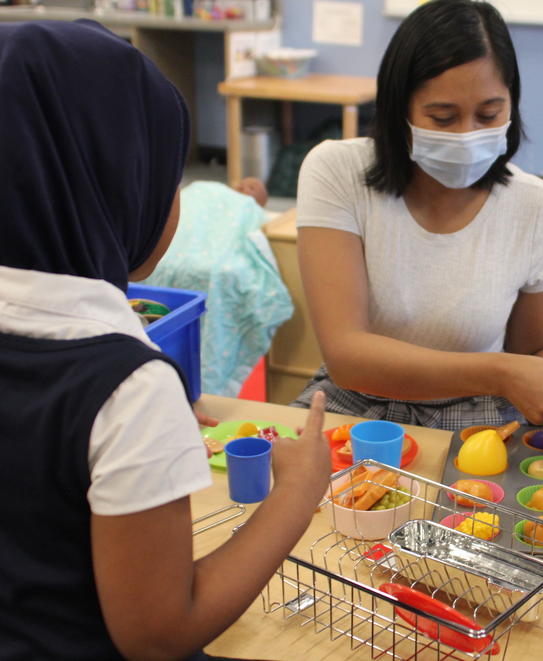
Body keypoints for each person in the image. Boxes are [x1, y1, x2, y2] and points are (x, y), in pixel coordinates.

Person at [0, 20, 331, 660]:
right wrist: (296, 493)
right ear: (117, 185)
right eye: (169, 175)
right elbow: (159, 633)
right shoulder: (123, 387)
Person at [292, 0, 543, 431]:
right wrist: (500, 372)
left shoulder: (536, 205)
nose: (468, 135)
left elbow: (534, 351)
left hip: (481, 416)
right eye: (443, 117)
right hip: (356, 404)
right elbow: (348, 356)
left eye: (489, 114)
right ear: (399, 110)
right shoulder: (337, 172)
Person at [141, 176, 293, 396]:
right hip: (176, 253)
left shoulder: (249, 209)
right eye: (246, 183)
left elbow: (247, 238)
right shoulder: (206, 189)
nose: (247, 188)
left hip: (214, 260)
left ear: (261, 202)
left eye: (255, 189)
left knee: (218, 270)